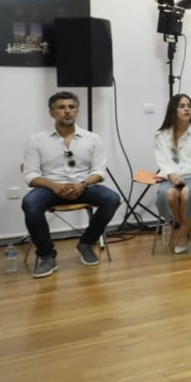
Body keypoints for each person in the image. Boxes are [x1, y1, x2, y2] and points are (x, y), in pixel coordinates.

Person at [21, 91, 121, 278]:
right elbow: (30, 174)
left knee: (112, 199)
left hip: (83, 186)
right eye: (61, 107)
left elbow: (99, 171)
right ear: (52, 113)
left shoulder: (92, 138)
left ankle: (86, 243)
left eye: (71, 107)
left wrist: (82, 184)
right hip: (50, 188)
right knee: (30, 203)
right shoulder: (37, 140)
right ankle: (47, 255)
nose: (67, 111)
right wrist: (54, 186)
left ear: (77, 111)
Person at [153, 93, 191, 254]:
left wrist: (173, 174)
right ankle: (189, 228)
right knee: (168, 194)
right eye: (182, 106)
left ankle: (180, 234)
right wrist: (171, 175)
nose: (187, 109)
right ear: (173, 110)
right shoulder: (162, 134)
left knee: (187, 193)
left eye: (189, 106)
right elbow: (163, 160)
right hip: (172, 177)